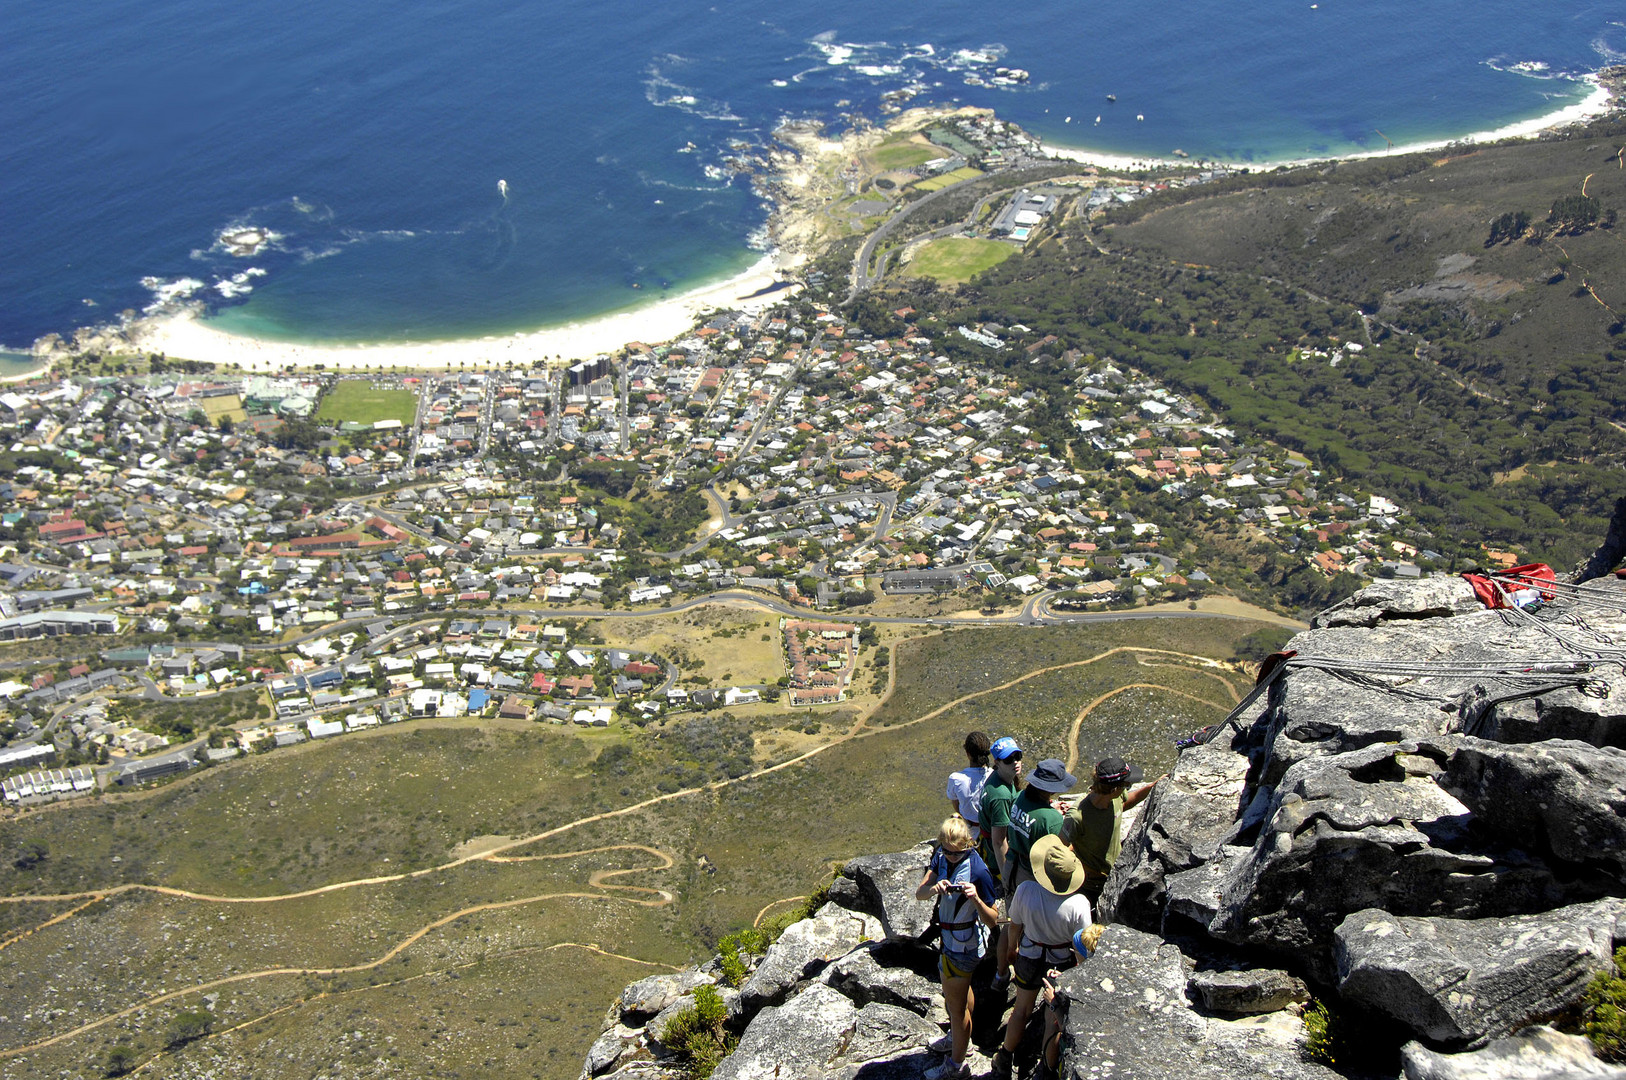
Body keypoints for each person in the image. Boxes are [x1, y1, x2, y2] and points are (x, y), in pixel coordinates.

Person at [990, 835, 1094, 1080]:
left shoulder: (1027, 890)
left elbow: (1014, 925)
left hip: (1028, 955)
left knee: (1020, 1010)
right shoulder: (1079, 903)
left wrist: (1011, 949)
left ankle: (1004, 1056)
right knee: (1052, 1018)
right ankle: (1047, 1069)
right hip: (1058, 964)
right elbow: (1082, 946)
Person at [915, 816, 999, 1080]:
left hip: (964, 948)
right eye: (947, 851)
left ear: (968, 845)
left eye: (956, 853)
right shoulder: (940, 857)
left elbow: (994, 919)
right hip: (949, 939)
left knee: (956, 1005)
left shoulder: (978, 871)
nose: (951, 857)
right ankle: (958, 1038)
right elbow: (920, 893)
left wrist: (975, 899)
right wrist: (934, 889)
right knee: (959, 996)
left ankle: (956, 1065)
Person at [1062, 756, 1166, 905]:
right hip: (1090, 884)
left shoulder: (1115, 797)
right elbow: (1060, 848)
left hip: (1115, 871)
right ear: (1115, 788)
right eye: (1126, 785)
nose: (1127, 788)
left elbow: (1125, 802)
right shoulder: (1077, 816)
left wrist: (1152, 786)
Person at [978, 737, 1023, 896]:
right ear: (997, 762)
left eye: (1017, 757)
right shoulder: (1000, 795)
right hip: (995, 857)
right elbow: (998, 841)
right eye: (1008, 760)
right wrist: (1007, 878)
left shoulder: (999, 777)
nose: (1015, 762)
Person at [946, 731, 992, 832]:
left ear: (968, 754)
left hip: (968, 831)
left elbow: (956, 805)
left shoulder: (956, 779)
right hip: (992, 831)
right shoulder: (994, 777)